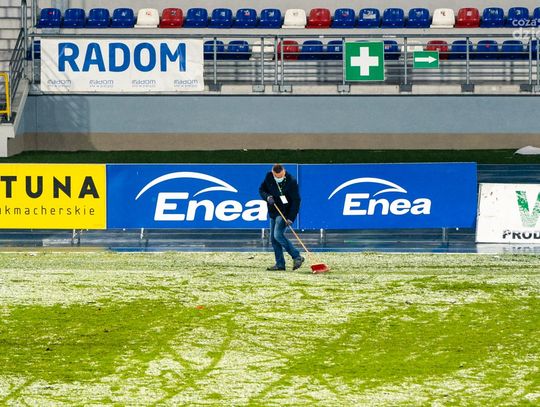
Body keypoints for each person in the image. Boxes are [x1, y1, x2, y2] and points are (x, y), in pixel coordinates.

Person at [259, 164, 304, 271]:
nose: (278, 178)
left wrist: (291, 218)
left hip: (285, 212)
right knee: (273, 239)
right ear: (273, 173)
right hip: (274, 211)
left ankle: (297, 256)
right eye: (276, 176)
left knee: (278, 235)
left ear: (284, 172)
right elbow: (262, 190)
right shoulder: (269, 176)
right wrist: (267, 197)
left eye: (280, 176)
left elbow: (296, 201)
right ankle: (280, 264)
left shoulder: (291, 181)